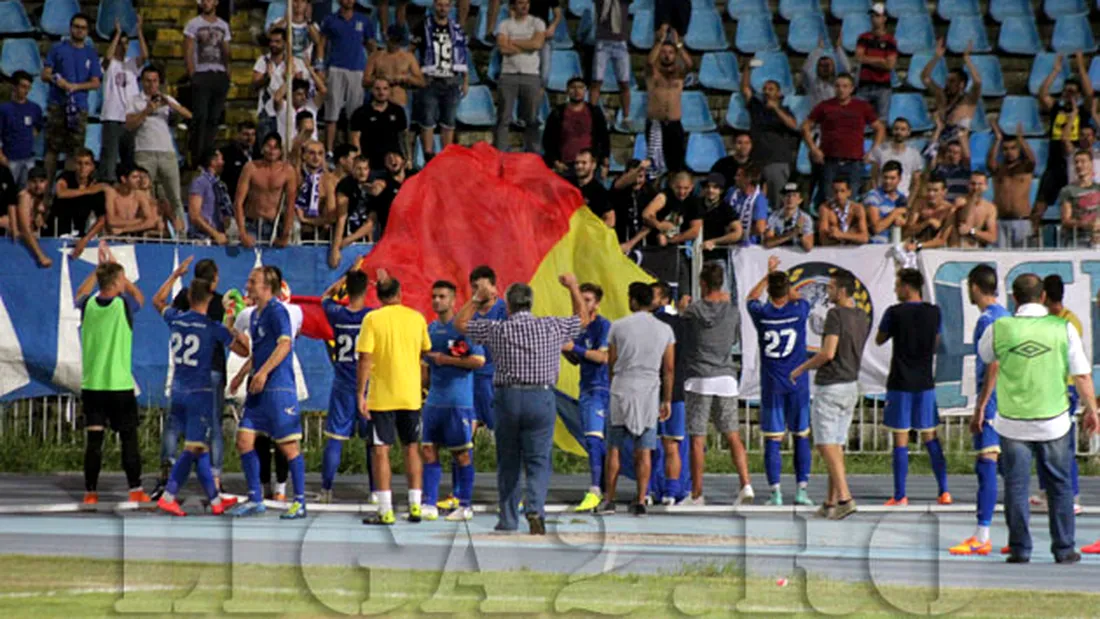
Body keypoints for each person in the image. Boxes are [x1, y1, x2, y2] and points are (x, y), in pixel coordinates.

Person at [976, 274, 1098, 564]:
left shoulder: (1000, 327)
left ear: (1014, 298)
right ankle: (1064, 548)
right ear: (1043, 297)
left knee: (1016, 486)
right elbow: (1081, 374)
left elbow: (986, 355)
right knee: (1059, 485)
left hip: (1012, 419)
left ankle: (1020, 548)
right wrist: (1091, 409)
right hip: (1053, 419)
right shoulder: (1062, 327)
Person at [456, 273, 587, 534]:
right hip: (541, 396)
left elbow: (461, 325)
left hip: (508, 396)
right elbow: (582, 320)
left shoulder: (498, 328)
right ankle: (535, 509)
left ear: (508, 305)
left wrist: (477, 299)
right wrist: (573, 286)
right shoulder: (551, 326)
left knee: (509, 461)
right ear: (531, 303)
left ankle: (507, 519)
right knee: (539, 460)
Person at [152, 262, 247, 517]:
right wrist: (234, 328)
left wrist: (174, 275)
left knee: (199, 447)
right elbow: (243, 351)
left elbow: (157, 301)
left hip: (179, 389)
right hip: (201, 392)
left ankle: (215, 501)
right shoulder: (212, 328)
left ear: (189, 297)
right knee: (194, 447)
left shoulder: (176, 318)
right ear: (210, 299)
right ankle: (169, 495)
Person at [229, 267, 309, 519]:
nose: (248, 284)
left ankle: (300, 501)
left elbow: (285, 344)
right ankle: (255, 498)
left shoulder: (277, 311)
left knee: (288, 446)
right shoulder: (255, 315)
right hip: (258, 387)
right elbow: (260, 350)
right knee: (244, 440)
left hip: (278, 387)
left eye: (253, 281)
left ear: (266, 286)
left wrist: (263, 373)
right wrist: (243, 374)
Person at [790, 269, 868, 520]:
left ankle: (844, 497)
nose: (828, 292)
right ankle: (830, 502)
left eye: (832, 288)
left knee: (825, 444)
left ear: (842, 291)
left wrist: (802, 368)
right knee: (837, 444)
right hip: (851, 384)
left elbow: (828, 353)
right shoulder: (861, 316)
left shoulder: (836, 315)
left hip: (831, 384)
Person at [74, 246, 149, 505]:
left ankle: (90, 492)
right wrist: (120, 274)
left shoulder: (88, 307)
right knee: (128, 438)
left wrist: (98, 272)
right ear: (117, 283)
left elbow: (79, 294)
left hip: (93, 385)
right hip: (119, 385)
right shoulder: (122, 305)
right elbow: (140, 297)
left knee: (94, 440)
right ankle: (135, 488)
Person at [357, 272, 432, 525]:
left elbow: (365, 358)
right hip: (410, 395)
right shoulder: (416, 318)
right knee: (412, 448)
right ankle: (415, 506)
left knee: (381, 451)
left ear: (377, 296)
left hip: (383, 396)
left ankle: (386, 510)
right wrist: (422, 387)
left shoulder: (372, 319)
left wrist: (360, 393)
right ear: (400, 294)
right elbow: (424, 356)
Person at [948, 265, 1010, 555]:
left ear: (974, 286)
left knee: (986, 465)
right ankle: (1016, 534)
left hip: (995, 401)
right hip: (1013, 401)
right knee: (1012, 470)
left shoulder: (987, 321)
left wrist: (981, 406)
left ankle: (982, 535)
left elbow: (993, 364)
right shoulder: (1007, 316)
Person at [876, 268, 950, 507]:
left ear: (908, 287)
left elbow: (879, 338)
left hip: (900, 382)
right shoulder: (934, 312)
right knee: (930, 436)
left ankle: (900, 495)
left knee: (901, 439)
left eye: (898, 285)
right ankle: (944, 491)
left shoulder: (894, 312)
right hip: (925, 382)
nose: (896, 290)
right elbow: (937, 341)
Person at [600, 282, 675, 516]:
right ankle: (641, 499)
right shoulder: (664, 330)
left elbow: (611, 361)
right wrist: (667, 399)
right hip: (649, 389)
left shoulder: (618, 326)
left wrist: (614, 382)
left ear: (632, 300)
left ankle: (609, 499)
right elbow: (669, 368)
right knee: (644, 450)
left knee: (614, 448)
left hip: (622, 385)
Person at [681, 262, 753, 505]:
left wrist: (682, 308)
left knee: (697, 437)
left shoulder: (694, 310)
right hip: (726, 377)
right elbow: (734, 338)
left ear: (702, 283)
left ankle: (697, 493)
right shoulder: (733, 311)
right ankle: (745, 484)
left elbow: (683, 330)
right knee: (732, 434)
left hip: (699, 376)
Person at [745, 256, 813, 507]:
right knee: (801, 435)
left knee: (773, 438)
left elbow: (750, 298)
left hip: (772, 385)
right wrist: (783, 282)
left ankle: (775, 492)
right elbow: (798, 297)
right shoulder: (799, 310)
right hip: (797, 383)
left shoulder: (762, 314)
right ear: (787, 290)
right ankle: (801, 490)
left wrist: (767, 275)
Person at [420, 281, 485, 522]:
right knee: (428, 450)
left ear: (454, 300)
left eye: (442, 296)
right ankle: (429, 503)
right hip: (435, 401)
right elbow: (426, 363)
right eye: (434, 296)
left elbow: (478, 360)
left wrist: (446, 360)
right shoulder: (430, 329)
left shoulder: (466, 328)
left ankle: (465, 505)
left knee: (462, 455)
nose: (437, 301)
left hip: (459, 402)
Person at [319, 269, 374, 503]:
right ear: (367, 289)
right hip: (369, 386)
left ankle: (326, 490)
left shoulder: (336, 313)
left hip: (342, 383)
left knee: (336, 438)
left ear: (346, 289)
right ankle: (375, 491)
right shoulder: (372, 317)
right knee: (373, 441)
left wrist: (339, 283)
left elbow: (324, 298)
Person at [1036, 275, 1084, 516]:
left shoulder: (1069, 322)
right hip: (1047, 386)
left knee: (1063, 446)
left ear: (1044, 295)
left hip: (1065, 387)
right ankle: (1046, 491)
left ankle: (1072, 495)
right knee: (1043, 443)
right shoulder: (1047, 320)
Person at [126, 66, 193, 232]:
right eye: (148, 81)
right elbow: (129, 125)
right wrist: (146, 111)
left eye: (155, 81)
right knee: (144, 195)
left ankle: (181, 235)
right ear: (142, 82)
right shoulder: (135, 100)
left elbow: (189, 115)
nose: (151, 84)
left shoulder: (166, 99)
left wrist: (169, 103)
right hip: (144, 152)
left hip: (167, 153)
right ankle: (146, 231)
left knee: (174, 196)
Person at [802, 74, 884, 204]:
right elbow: (806, 126)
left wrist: (873, 151)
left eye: (845, 86)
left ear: (851, 88)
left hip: (854, 161)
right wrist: (813, 148)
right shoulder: (824, 106)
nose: (841, 89)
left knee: (851, 201)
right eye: (838, 86)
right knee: (829, 200)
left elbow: (879, 128)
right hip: (829, 160)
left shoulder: (862, 106)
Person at [565, 283, 612, 513]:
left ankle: (595, 489)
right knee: (595, 441)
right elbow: (578, 359)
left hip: (603, 388)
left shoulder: (603, 325)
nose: (583, 304)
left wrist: (575, 348)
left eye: (588, 300)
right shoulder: (577, 327)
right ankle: (600, 489)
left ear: (597, 304)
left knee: (597, 441)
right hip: (586, 388)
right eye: (581, 299)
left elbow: (603, 357)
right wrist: (567, 351)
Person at [42, 13, 102, 186]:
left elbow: (96, 82)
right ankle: (47, 190)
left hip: (79, 107)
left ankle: (65, 188)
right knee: (52, 149)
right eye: (76, 26)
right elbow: (45, 74)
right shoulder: (57, 49)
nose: (79, 30)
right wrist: (57, 80)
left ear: (87, 31)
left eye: (83, 28)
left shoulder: (91, 54)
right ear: (70, 28)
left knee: (74, 151)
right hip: (57, 104)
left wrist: (75, 87)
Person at [1036, 52, 1094, 217]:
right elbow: (1042, 94)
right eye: (1067, 91)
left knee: (1076, 208)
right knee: (1039, 208)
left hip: (1074, 165)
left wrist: (1081, 67)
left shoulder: (1082, 112)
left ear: (1078, 95)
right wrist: (1055, 71)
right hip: (1054, 165)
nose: (1070, 95)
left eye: (1073, 92)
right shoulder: (1056, 109)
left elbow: (1090, 95)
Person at [318, 0, 377, 156]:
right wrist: (320, 66)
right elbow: (321, 43)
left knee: (355, 115)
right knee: (332, 113)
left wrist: (374, 66)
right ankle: (329, 151)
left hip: (357, 70)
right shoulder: (330, 19)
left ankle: (354, 152)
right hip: (335, 68)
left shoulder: (364, 20)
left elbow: (371, 45)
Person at [415, 0, 470, 161]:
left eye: (446, 5)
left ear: (451, 7)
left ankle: (447, 157)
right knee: (428, 119)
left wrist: (465, 80)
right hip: (430, 79)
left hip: (451, 80)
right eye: (440, 5)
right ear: (434, 5)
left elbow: (463, 55)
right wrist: (418, 75)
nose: (443, 8)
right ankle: (428, 155)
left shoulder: (457, 29)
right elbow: (411, 51)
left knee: (449, 121)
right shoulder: (423, 26)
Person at [739, 63, 799, 208]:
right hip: (757, 160)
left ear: (778, 93)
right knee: (752, 199)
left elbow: (793, 125)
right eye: (765, 89)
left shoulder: (785, 110)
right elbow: (745, 90)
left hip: (777, 160)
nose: (767, 92)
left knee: (778, 200)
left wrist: (776, 109)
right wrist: (747, 69)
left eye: (771, 89)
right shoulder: (756, 107)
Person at [494, 0, 547, 154]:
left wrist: (514, 42)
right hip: (508, 75)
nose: (524, 6)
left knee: (532, 118)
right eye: (520, 3)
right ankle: (500, 152)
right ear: (513, 6)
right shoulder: (504, 24)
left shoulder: (537, 23)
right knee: (503, 118)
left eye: (527, 3)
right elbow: (503, 48)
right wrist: (527, 44)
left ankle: (533, 153)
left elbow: (537, 44)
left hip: (531, 75)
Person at [184, 0, 232, 167]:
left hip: (219, 74)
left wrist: (227, 74)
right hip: (202, 74)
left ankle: (208, 154)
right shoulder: (193, 24)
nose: (206, 3)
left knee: (214, 118)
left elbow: (226, 52)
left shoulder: (223, 25)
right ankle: (196, 156)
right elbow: (188, 50)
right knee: (201, 116)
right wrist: (193, 75)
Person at [100, 19, 147, 183]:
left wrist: (139, 32)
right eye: (121, 43)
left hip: (130, 118)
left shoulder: (131, 64)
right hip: (112, 117)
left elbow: (145, 56)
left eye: (126, 43)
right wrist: (117, 34)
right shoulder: (108, 64)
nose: (124, 47)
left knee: (129, 160)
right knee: (110, 160)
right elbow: (107, 57)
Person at [234, 133, 298, 248]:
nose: (271, 151)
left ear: (280, 151)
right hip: (252, 223)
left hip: (274, 224)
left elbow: (290, 205)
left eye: (275, 148)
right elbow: (238, 202)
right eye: (268, 147)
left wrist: (286, 233)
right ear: (262, 148)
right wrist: (242, 232)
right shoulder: (250, 168)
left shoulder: (287, 171)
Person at [644, 27, 692, 174]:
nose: (667, 55)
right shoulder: (653, 74)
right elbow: (650, 62)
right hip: (655, 125)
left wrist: (679, 45)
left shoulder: (679, 74)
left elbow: (689, 64)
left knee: (676, 166)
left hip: (674, 125)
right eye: (664, 52)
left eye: (670, 53)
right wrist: (659, 42)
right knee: (654, 166)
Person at [923, 39, 982, 155]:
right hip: (940, 144)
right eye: (947, 81)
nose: (948, 84)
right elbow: (925, 77)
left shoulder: (968, 100)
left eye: (952, 81)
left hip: (959, 147)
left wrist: (967, 59)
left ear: (961, 84)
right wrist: (936, 57)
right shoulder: (942, 97)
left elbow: (978, 82)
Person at [544, 78, 611, 176]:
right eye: (573, 87)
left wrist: (604, 162)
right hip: (565, 165)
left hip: (590, 165)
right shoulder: (557, 113)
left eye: (580, 87)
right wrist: (555, 162)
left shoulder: (594, 112)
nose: (577, 91)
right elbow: (548, 140)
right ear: (567, 91)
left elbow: (604, 137)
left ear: (585, 91)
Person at [253, 27, 309, 142]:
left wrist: (290, 75)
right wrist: (266, 78)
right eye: (271, 41)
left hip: (287, 111)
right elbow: (254, 85)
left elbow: (300, 86)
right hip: (267, 111)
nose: (273, 44)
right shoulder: (263, 60)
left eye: (277, 41)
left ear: (285, 43)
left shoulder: (295, 62)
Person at [988, 122, 1038, 248]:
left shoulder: (1025, 167)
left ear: (1018, 149)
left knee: (1024, 257)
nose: (1009, 152)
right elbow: (990, 163)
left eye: (1013, 148)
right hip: (1001, 220)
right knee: (1001, 258)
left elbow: (1032, 159)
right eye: (1005, 149)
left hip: (1022, 220)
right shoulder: (999, 169)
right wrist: (997, 139)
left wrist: (1021, 140)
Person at [52, 148, 109, 242]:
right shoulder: (65, 176)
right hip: (58, 229)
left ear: (92, 167)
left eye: (87, 164)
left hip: (82, 232)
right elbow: (61, 193)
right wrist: (88, 190)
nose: (83, 167)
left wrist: (86, 239)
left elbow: (102, 218)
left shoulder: (96, 186)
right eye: (79, 163)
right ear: (75, 165)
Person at [350, 79, 408, 170]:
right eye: (378, 89)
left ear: (389, 91)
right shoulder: (361, 112)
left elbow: (403, 137)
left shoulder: (398, 111)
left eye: (385, 89)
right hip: (371, 164)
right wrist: (360, 161)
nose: (381, 92)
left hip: (393, 163)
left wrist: (407, 158)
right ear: (372, 90)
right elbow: (355, 139)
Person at [364, 25, 425, 110]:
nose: (395, 44)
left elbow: (421, 82)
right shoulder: (376, 56)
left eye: (398, 41)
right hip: (379, 104)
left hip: (400, 102)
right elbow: (365, 81)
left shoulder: (408, 57)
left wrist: (406, 78)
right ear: (387, 38)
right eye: (393, 40)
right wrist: (381, 79)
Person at [0, 71, 44, 187]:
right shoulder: (4, 109)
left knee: (26, 193)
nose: (26, 91)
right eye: (23, 86)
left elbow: (39, 124)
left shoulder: (34, 108)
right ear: (14, 86)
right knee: (8, 194)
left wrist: (30, 135)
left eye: (28, 87)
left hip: (28, 159)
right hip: (10, 158)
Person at [589, 0, 632, 120]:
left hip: (620, 42)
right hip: (602, 42)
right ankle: (591, 115)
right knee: (596, 81)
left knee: (624, 82)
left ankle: (626, 117)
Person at [854, 3, 897, 119]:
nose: (874, 19)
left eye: (877, 16)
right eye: (872, 16)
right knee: (858, 118)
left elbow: (890, 65)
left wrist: (867, 59)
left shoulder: (890, 40)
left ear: (884, 18)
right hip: (864, 85)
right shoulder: (863, 37)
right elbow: (859, 57)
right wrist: (881, 60)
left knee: (881, 120)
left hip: (883, 87)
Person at [293, 140, 339, 243]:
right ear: (304, 156)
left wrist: (306, 220)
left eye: (320, 153)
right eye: (312, 153)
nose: (316, 157)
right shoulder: (295, 176)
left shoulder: (329, 180)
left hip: (321, 234)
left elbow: (331, 216)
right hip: (294, 232)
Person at [641, 171, 703, 247]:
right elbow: (646, 214)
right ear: (672, 185)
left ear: (691, 187)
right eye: (678, 188)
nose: (682, 192)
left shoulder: (694, 202)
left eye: (686, 188)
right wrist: (659, 226)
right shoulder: (664, 196)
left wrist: (669, 241)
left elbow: (695, 231)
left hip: (678, 247)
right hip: (654, 245)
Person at [869, 118, 923, 200]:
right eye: (896, 129)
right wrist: (877, 198)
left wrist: (909, 203)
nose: (899, 132)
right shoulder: (880, 151)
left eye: (903, 129)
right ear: (892, 130)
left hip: (903, 198)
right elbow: (873, 177)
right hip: (882, 198)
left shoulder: (914, 154)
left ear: (908, 132)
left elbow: (916, 183)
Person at [611, 159, 658, 253]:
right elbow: (618, 185)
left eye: (640, 176)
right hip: (620, 243)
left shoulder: (650, 192)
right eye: (634, 176)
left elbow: (650, 223)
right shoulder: (619, 190)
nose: (637, 181)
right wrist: (639, 168)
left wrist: (630, 243)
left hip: (645, 245)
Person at [1057, 149, 1100, 248]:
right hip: (1077, 240)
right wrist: (1087, 224)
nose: (1079, 165)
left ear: (1091, 164)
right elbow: (1066, 221)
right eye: (1076, 162)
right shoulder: (1068, 190)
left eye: (1083, 161)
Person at [188, 150, 233, 244]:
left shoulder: (221, 185)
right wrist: (215, 234)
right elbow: (194, 215)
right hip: (202, 238)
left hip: (219, 238)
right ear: (213, 162)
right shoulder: (199, 182)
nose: (223, 162)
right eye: (221, 159)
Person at [105, 164, 160, 236]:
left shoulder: (139, 194)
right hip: (113, 237)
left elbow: (150, 221)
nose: (139, 180)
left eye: (139, 177)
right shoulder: (112, 193)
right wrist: (140, 220)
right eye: (134, 177)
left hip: (131, 233)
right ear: (123, 179)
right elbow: (111, 221)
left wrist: (123, 230)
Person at [903, 176, 955, 251]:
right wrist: (927, 222)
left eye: (935, 190)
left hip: (935, 251)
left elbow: (942, 240)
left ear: (944, 191)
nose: (931, 194)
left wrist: (919, 245)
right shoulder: (919, 204)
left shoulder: (949, 210)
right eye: (929, 190)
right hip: (914, 246)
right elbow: (907, 231)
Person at [864, 161, 909, 244]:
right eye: (885, 177)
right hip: (874, 247)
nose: (888, 181)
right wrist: (895, 213)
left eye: (892, 178)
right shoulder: (873, 195)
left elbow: (906, 226)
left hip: (895, 246)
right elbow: (876, 228)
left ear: (899, 179)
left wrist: (903, 222)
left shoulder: (902, 198)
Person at [15, 167, 52, 268]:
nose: (38, 186)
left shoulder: (40, 197)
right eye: (34, 182)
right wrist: (41, 256)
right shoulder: (25, 197)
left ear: (46, 182)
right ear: (28, 183)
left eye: (41, 181)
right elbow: (25, 229)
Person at [949, 171, 998, 248]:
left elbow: (992, 238)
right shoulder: (960, 202)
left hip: (977, 249)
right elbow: (958, 224)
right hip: (957, 247)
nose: (976, 187)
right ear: (968, 185)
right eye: (973, 184)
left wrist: (972, 231)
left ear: (986, 186)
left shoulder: (989, 208)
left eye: (980, 184)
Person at [698, 172, 743, 253]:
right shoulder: (695, 204)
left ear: (721, 190)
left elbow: (738, 233)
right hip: (694, 254)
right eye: (707, 186)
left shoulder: (725, 208)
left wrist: (714, 241)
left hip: (717, 255)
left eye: (715, 187)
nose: (710, 190)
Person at [803, 36, 852, 110]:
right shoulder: (813, 83)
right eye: (821, 66)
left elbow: (847, 69)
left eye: (827, 65)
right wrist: (818, 50)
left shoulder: (839, 83)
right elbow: (806, 69)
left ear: (834, 67)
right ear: (817, 68)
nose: (825, 68)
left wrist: (839, 49)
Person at [818, 179, 869, 246]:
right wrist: (852, 236)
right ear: (832, 193)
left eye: (842, 191)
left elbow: (864, 238)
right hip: (833, 250)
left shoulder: (858, 208)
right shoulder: (825, 209)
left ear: (849, 192)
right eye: (836, 192)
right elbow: (823, 240)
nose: (839, 195)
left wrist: (841, 235)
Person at [764, 183, 814, 251]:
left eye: (794, 195)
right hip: (778, 255)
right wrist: (790, 234)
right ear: (782, 198)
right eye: (787, 195)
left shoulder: (805, 218)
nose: (790, 198)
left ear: (800, 200)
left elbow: (809, 247)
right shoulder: (773, 216)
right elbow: (767, 243)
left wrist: (799, 233)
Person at [571, 149, 612, 225]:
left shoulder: (600, 192)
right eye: (577, 163)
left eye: (584, 163)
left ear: (593, 165)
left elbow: (610, 219)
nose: (579, 166)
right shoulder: (568, 185)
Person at [929, 134, 971, 204]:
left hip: (959, 207)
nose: (951, 155)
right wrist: (938, 130)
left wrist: (961, 135)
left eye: (955, 153)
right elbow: (931, 152)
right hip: (942, 208)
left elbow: (967, 157)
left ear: (961, 156)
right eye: (949, 151)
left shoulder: (965, 170)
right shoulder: (938, 169)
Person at [221, 121, 256, 202]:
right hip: (233, 198)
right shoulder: (226, 153)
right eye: (246, 134)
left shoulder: (259, 154)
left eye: (253, 134)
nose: (250, 138)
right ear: (238, 134)